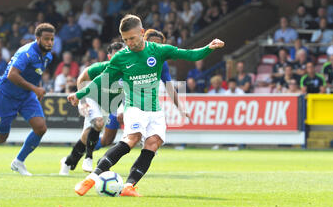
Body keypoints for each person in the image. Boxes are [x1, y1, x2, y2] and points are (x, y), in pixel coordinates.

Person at [67, 14, 224, 197]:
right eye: (125, 40)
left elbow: (189, 54)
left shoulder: (158, 50)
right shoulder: (121, 58)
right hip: (134, 107)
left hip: (155, 110)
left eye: (132, 38)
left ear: (142, 33)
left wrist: (209, 48)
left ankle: (129, 186)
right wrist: (79, 94)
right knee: (132, 139)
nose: (129, 43)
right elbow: (102, 79)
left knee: (153, 144)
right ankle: (91, 179)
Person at [91, 29, 189, 159]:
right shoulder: (128, 55)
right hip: (121, 99)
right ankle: (85, 149)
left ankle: (111, 161)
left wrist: (181, 108)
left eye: (159, 44)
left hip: (144, 105)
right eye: (153, 43)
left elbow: (169, 87)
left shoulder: (161, 62)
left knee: (141, 139)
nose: (157, 47)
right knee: (107, 140)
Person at [0, 23, 55, 176]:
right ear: (37, 38)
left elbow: (34, 74)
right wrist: (35, 89)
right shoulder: (26, 52)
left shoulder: (48, 56)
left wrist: (35, 91)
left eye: (52, 39)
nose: (50, 43)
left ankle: (18, 162)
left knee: (41, 128)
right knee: (1, 137)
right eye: (46, 39)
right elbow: (11, 75)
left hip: (26, 96)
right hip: (6, 95)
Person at [59, 42, 126, 176]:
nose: (120, 57)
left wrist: (122, 109)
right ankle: (88, 158)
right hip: (90, 99)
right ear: (109, 56)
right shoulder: (100, 67)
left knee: (86, 136)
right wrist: (82, 101)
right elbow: (81, 79)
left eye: (123, 54)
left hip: (107, 105)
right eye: (117, 54)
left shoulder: (128, 72)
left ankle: (67, 161)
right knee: (99, 123)